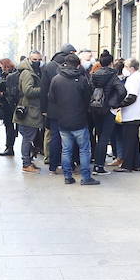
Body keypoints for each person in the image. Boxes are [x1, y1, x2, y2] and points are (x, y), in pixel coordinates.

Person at [47, 53, 96, 185]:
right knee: (84, 150)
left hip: (62, 120)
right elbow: (88, 99)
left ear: (64, 63)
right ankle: (86, 177)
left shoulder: (56, 79)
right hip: (80, 119)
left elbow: (52, 98)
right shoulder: (82, 79)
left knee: (66, 150)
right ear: (78, 65)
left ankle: (68, 176)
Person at [88, 54, 126, 175]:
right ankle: (99, 166)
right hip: (108, 110)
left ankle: (96, 164)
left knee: (99, 136)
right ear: (110, 63)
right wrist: (113, 103)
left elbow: (89, 89)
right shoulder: (113, 76)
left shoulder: (94, 75)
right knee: (104, 138)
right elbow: (122, 91)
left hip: (95, 108)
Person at [15, 56, 45, 172]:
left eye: (39, 59)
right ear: (29, 59)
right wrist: (43, 89)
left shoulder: (31, 71)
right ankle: (26, 164)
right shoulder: (27, 73)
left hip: (31, 110)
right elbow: (27, 91)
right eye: (35, 59)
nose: (37, 62)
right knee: (28, 138)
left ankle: (28, 162)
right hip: (29, 111)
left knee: (29, 137)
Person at [115, 58, 140, 171]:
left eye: (126, 66)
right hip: (135, 114)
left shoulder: (133, 79)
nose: (124, 69)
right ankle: (136, 164)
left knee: (128, 141)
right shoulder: (138, 77)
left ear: (131, 68)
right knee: (134, 141)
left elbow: (132, 96)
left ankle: (127, 165)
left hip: (131, 114)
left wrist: (119, 104)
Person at [0, 58, 22, 157]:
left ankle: (9, 147)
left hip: (8, 104)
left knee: (9, 126)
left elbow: (9, 90)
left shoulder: (9, 76)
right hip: (14, 103)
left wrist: (2, 94)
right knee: (14, 127)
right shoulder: (16, 73)